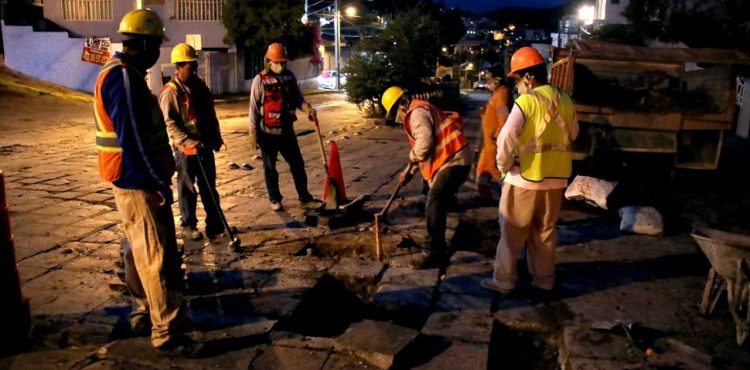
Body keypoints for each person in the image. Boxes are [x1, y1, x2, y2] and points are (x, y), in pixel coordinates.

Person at [94, 9, 199, 356]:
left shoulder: (122, 74)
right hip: (137, 181)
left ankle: (143, 311)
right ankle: (166, 331)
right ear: (142, 44)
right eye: (155, 45)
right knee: (156, 255)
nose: (158, 54)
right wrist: (156, 182)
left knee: (137, 250)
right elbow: (133, 138)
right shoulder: (123, 78)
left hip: (127, 178)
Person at [481, 47, 579, 297]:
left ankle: (503, 281)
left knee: (512, 233)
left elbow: (506, 140)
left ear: (528, 77)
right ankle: (544, 280)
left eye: (517, 79)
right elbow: (574, 134)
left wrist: (503, 168)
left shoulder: (527, 101)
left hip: (524, 179)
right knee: (544, 233)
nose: (517, 86)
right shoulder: (565, 99)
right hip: (556, 181)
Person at [381, 86, 472, 269]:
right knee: (440, 198)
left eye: (394, 112)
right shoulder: (419, 111)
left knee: (435, 200)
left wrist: (411, 159)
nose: (396, 118)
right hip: (452, 159)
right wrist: (408, 172)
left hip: (455, 160)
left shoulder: (416, 114)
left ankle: (434, 252)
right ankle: (443, 234)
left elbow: (424, 145)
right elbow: (423, 153)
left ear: (402, 105)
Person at [159, 43, 225, 241]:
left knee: (209, 188)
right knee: (187, 188)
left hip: (204, 147)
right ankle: (188, 225)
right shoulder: (171, 92)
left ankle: (215, 225)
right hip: (185, 151)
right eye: (189, 66)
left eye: (194, 65)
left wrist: (215, 138)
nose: (194, 70)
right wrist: (188, 141)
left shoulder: (200, 86)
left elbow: (209, 115)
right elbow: (170, 123)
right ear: (178, 67)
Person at [248, 43, 324, 212]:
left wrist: (306, 108)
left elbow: (297, 97)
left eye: (283, 62)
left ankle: (304, 197)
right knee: (270, 169)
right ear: (269, 61)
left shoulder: (290, 77)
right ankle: (275, 198)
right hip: (267, 133)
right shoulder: (260, 80)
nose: (281, 66)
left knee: (298, 165)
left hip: (286, 131)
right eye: (278, 63)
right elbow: (253, 108)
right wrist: (252, 131)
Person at [476, 65, 513, 200]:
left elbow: (504, 116)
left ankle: (510, 196)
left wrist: (498, 133)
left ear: (496, 80)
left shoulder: (501, 95)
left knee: (494, 170)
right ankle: (485, 196)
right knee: (482, 170)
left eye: (488, 79)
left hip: (493, 142)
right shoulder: (497, 94)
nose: (487, 83)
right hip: (489, 142)